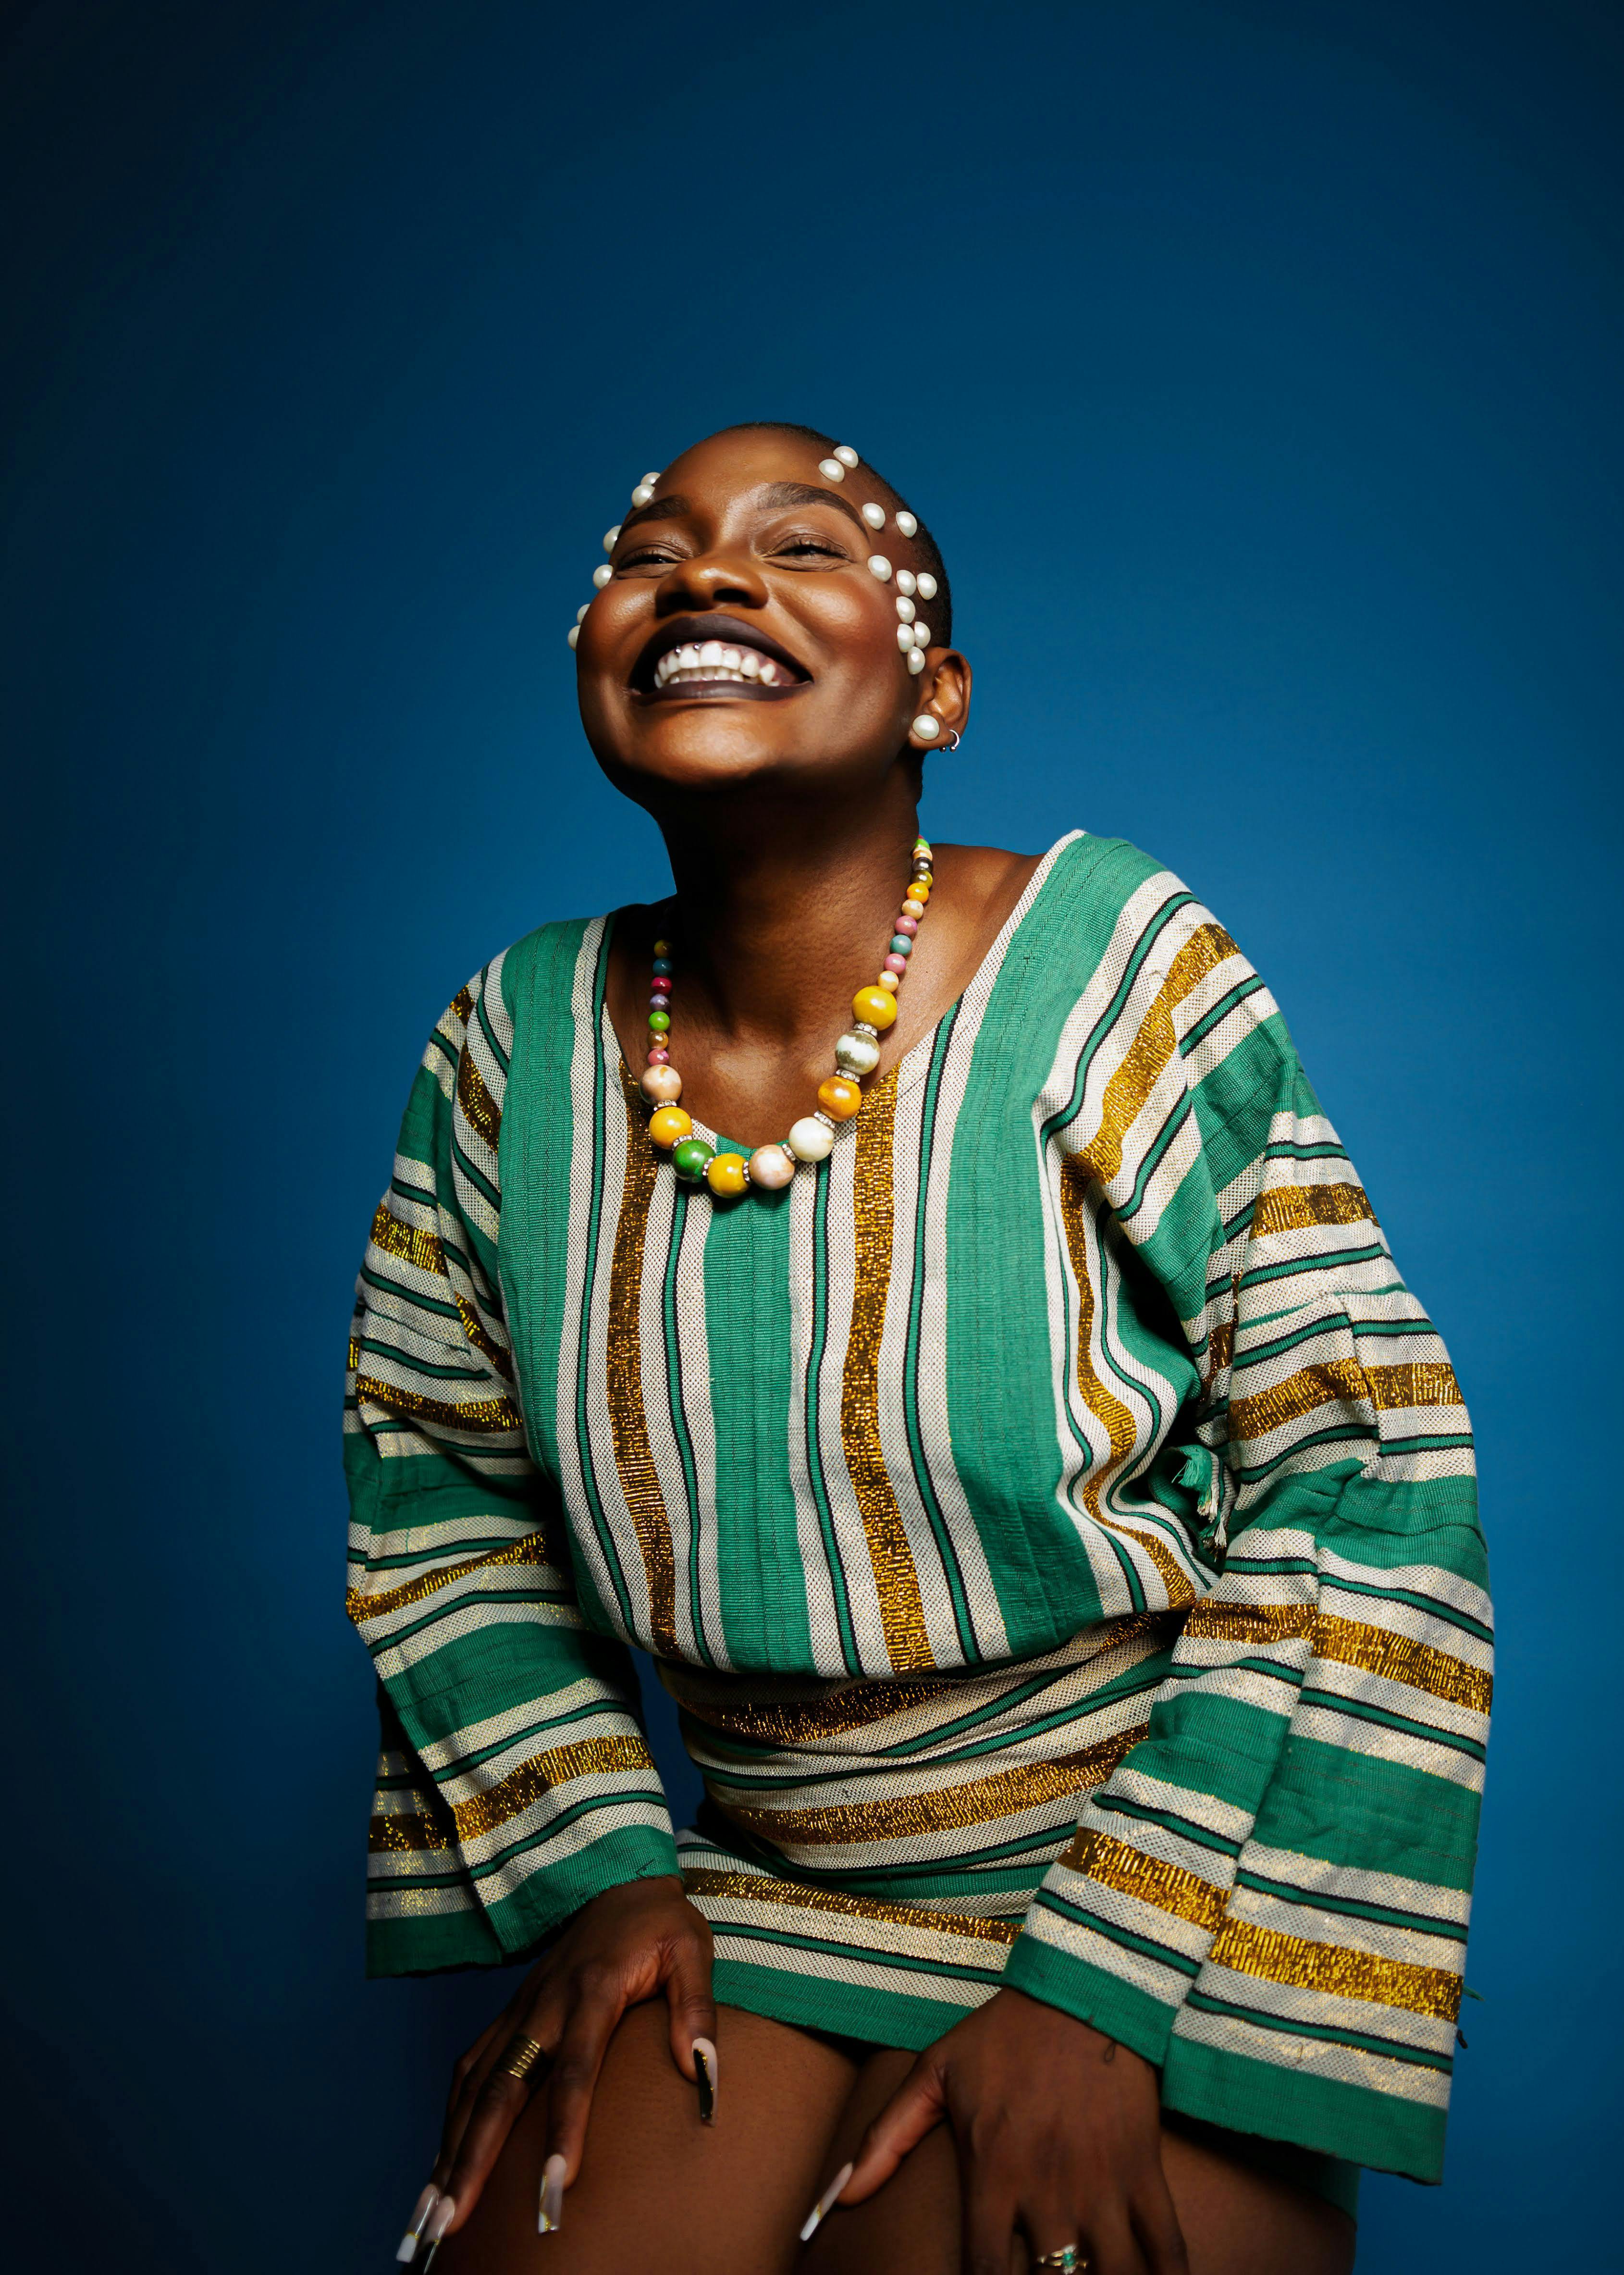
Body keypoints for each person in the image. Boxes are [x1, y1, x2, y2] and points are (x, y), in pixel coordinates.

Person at [345, 423, 1489, 2275]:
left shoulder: (1114, 963)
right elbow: (439, 1479)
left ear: (934, 692)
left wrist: (1108, 1986)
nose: (706, 576)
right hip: (754, 1871)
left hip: (1150, 1868)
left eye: (802, 542)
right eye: (653, 548)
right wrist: (602, 1864)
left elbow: (1368, 1470)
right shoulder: (510, 1042)